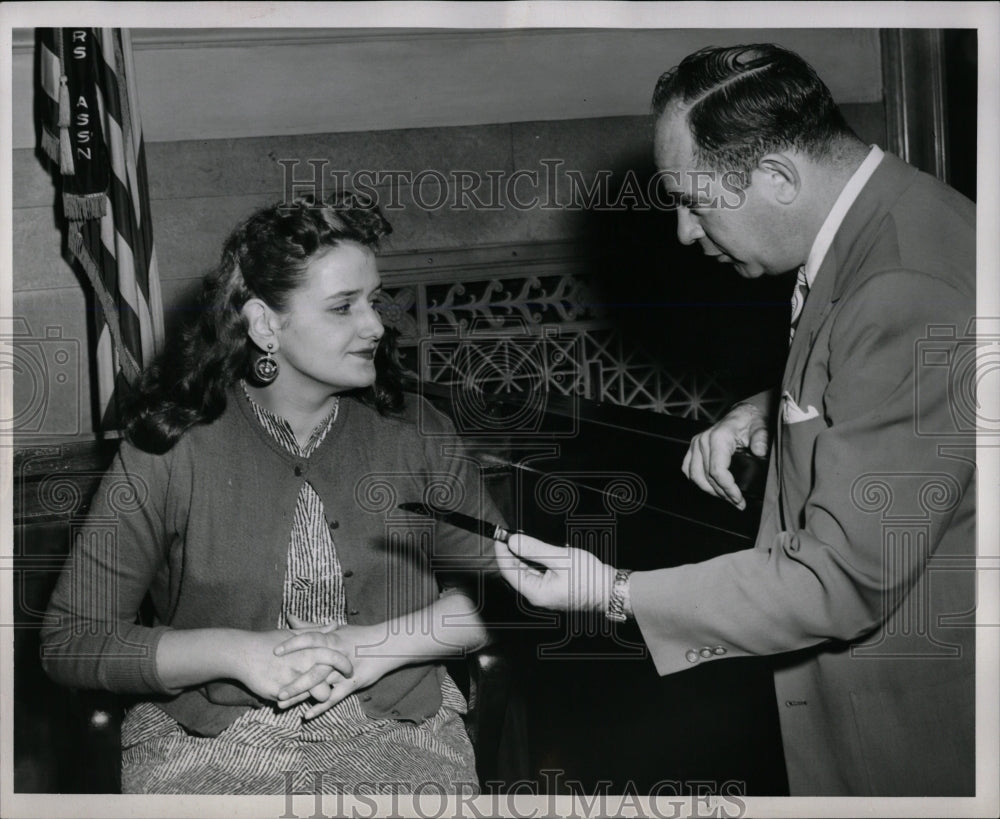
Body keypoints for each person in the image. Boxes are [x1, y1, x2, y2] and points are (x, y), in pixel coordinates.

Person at [495, 44, 976, 796]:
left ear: (780, 177)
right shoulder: (896, 215)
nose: (685, 232)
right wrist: (772, 407)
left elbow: (839, 581)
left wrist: (615, 592)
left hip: (922, 734)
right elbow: (893, 378)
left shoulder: (903, 284)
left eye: (694, 200)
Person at [41, 194, 501, 795]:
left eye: (373, 299)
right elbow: (71, 640)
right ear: (264, 324)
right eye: (343, 307)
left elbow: (510, 599)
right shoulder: (168, 450)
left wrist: (372, 646)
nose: (376, 325)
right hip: (207, 746)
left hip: (400, 736)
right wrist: (235, 653)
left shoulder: (419, 434)